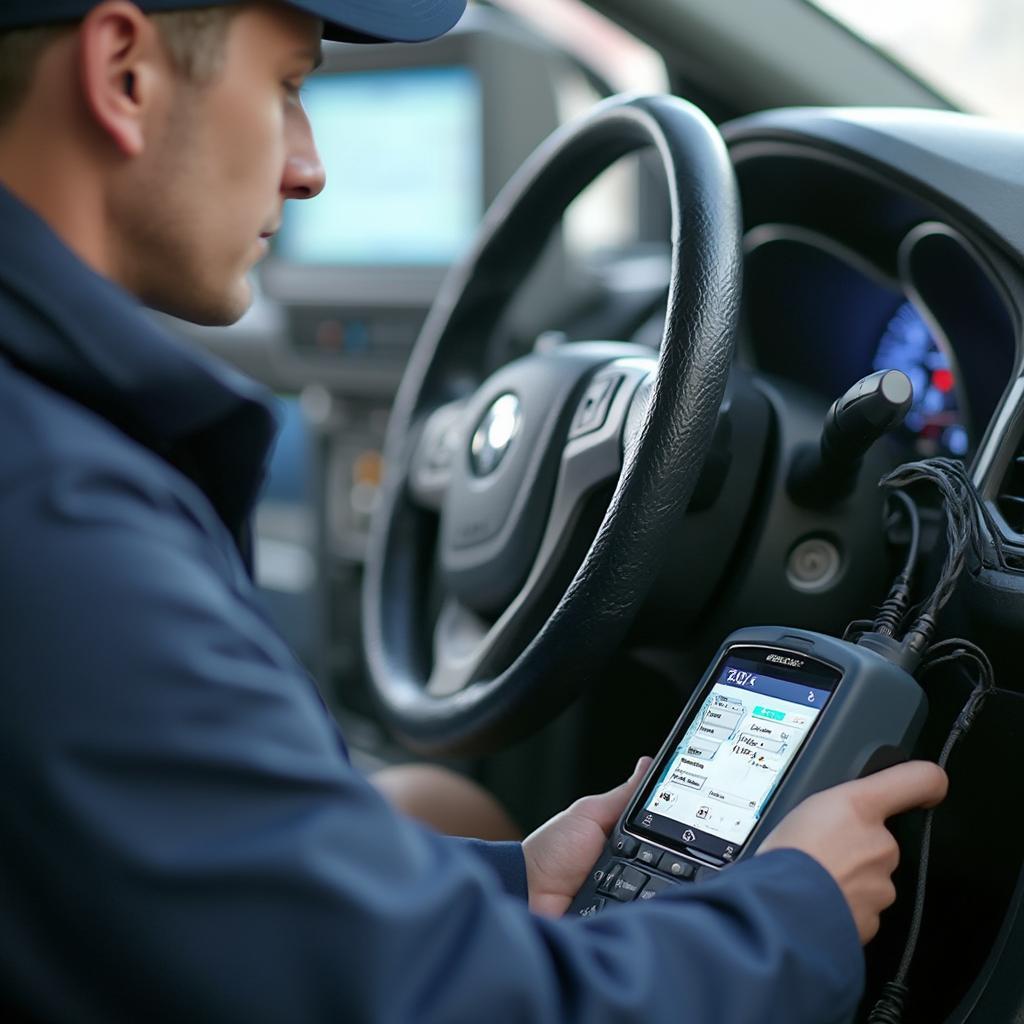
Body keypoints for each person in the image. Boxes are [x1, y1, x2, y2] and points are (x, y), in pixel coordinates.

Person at [0, 2, 947, 1021]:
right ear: (125, 73)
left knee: (443, 807)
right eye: (286, 87)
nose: (308, 168)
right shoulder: (64, 525)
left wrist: (514, 884)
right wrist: (792, 914)